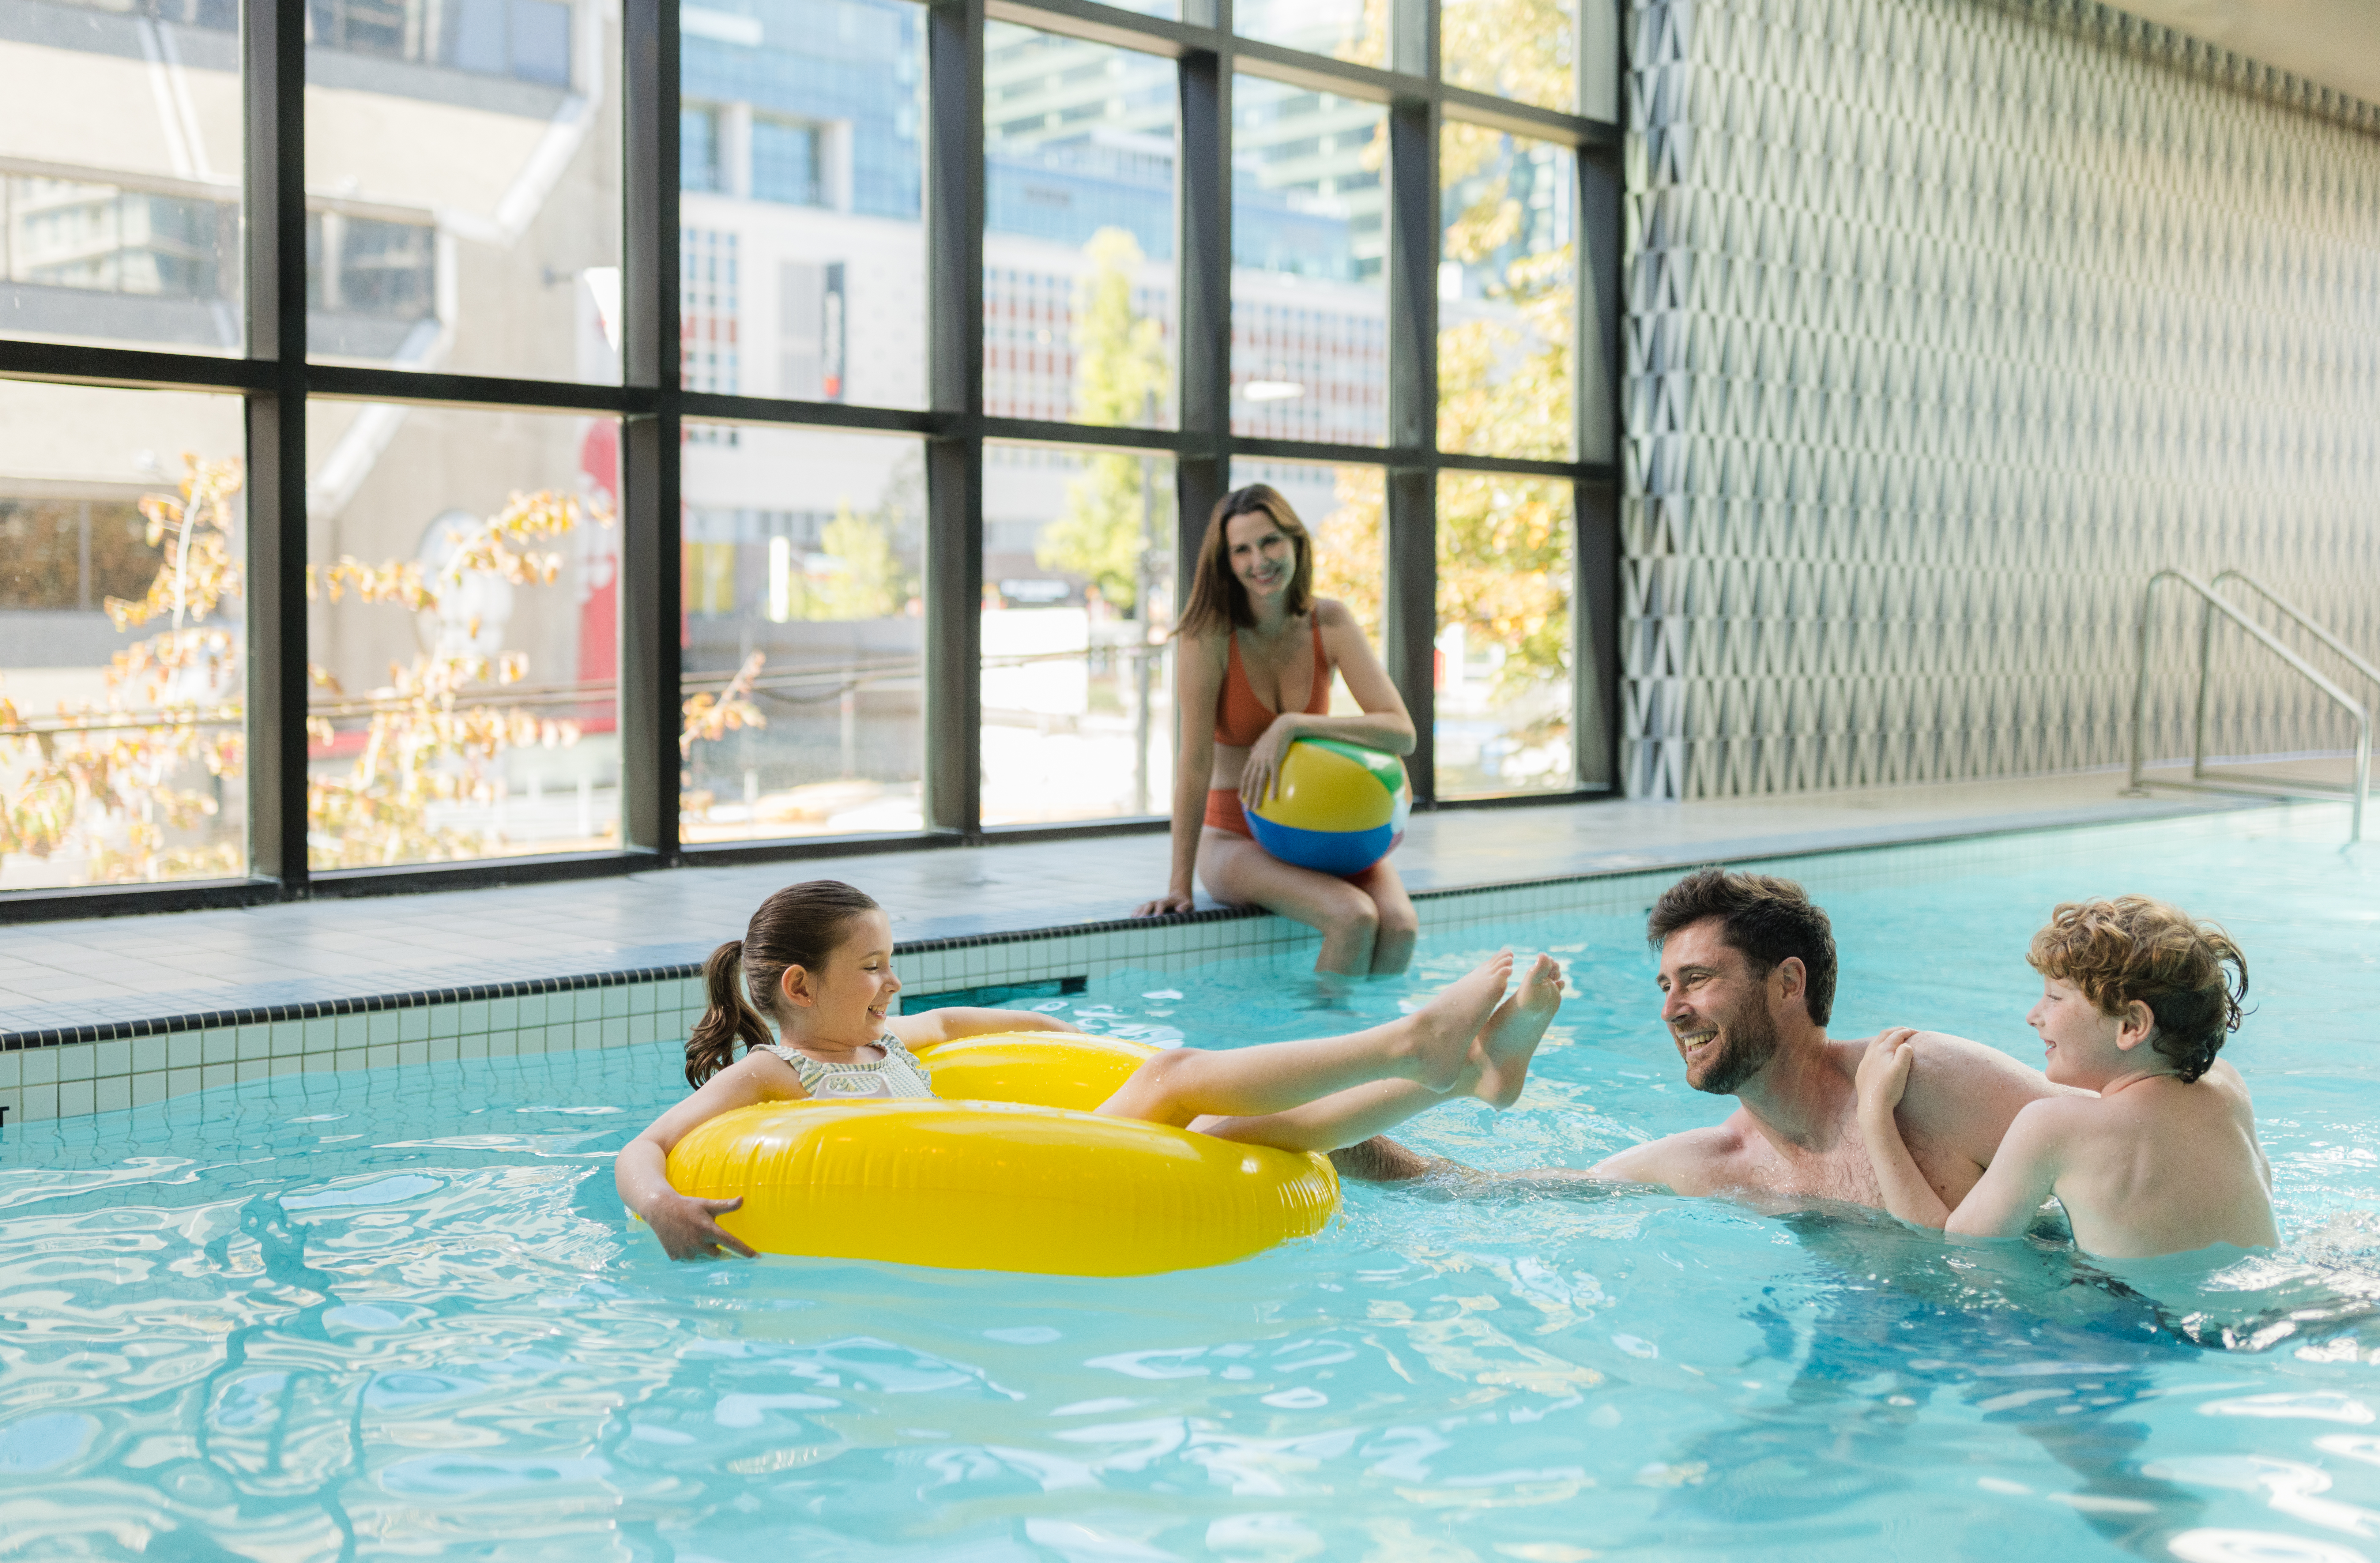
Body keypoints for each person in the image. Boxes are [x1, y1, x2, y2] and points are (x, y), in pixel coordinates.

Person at [615, 880, 1568, 1259]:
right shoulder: (776, 1078)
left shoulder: (888, 1040)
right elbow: (647, 1145)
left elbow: (976, 1022)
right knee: (1176, 1075)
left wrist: (1051, 1034)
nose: (891, 982)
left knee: (1248, 1131)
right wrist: (662, 1203)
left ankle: (1458, 1077)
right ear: (798, 986)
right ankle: (1408, 1044)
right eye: (870, 968)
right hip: (1003, 1180)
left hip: (1038, 1154)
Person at [1334, 867, 2068, 1197]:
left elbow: (2119, 1137)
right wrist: (1328, 1133)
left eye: (1696, 980)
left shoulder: (1920, 1076)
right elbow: (1484, 1192)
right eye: (1665, 985)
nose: (1670, 1011)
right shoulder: (1714, 1164)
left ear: (1787, 984)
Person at [1856, 896, 2276, 1258]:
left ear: (2131, 1025)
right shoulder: (2228, 1088)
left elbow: (1951, 1247)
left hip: (2135, 1333)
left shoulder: (2053, 1128)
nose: (2033, 1016)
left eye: (2054, 998)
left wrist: (1875, 1117)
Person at [1132, 484, 1420, 977]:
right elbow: (1194, 763)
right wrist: (1179, 885)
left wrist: (1293, 724)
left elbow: (1402, 733)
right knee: (1352, 918)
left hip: (1326, 829)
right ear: (1225, 562)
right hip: (1236, 836)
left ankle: (1380, 1043)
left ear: (1295, 543)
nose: (1259, 561)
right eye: (1241, 550)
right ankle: (1325, 1049)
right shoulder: (1209, 636)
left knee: (1399, 926)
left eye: (1270, 543)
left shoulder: (1328, 622)